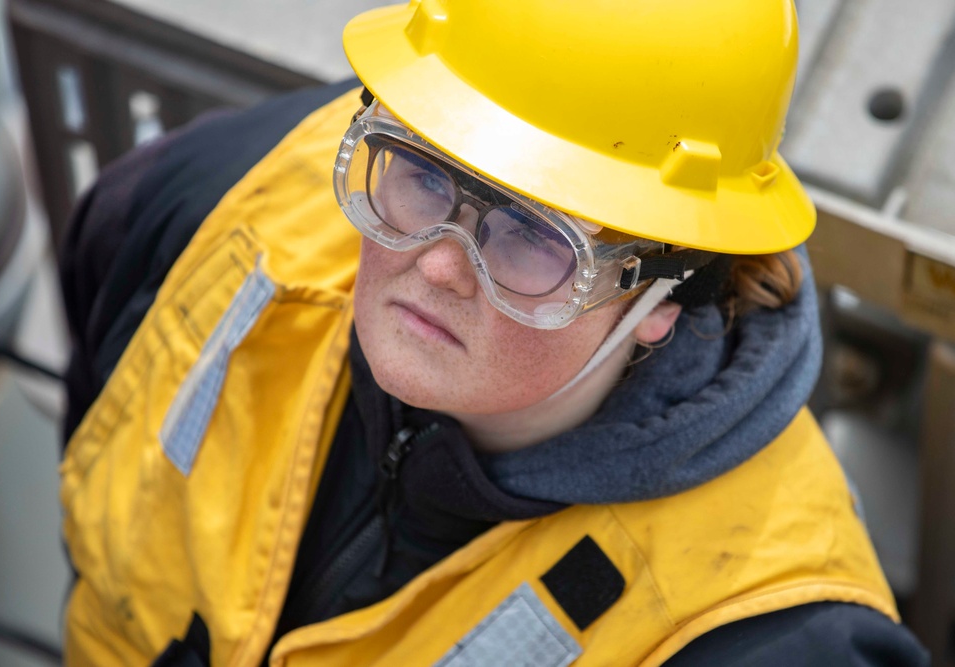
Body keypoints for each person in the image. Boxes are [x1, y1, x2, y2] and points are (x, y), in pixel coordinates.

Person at [57, 0, 929, 664]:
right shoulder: (232, 201)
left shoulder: (766, 633)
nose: (436, 263)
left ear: (661, 297)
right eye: (427, 176)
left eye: (532, 238)